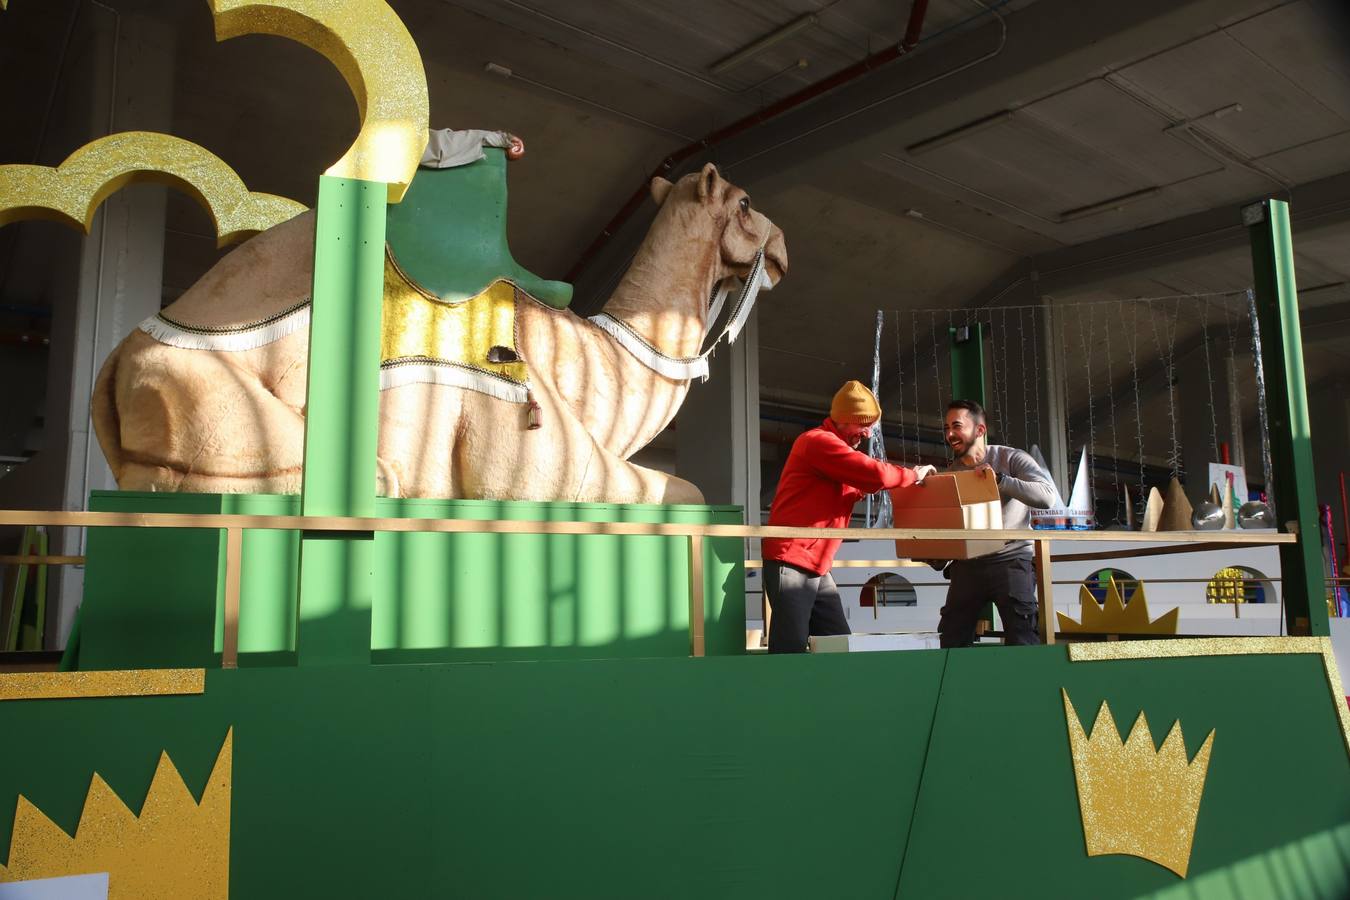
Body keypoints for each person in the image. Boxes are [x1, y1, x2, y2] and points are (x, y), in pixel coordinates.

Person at [763, 381, 935, 653]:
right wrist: (913, 475)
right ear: (842, 420)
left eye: (870, 426)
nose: (866, 433)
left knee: (838, 642)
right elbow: (875, 475)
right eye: (861, 424)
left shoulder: (831, 449)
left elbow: (856, 483)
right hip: (794, 559)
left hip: (816, 563)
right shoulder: (818, 442)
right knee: (790, 647)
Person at [936, 399, 1056, 647]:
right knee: (951, 640)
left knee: (1023, 637)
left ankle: (1027, 685)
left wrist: (1000, 480)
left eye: (956, 426)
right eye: (946, 427)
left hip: (1011, 560)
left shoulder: (1011, 458)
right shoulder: (948, 475)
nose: (949, 434)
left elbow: (1047, 497)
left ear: (980, 430)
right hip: (967, 565)